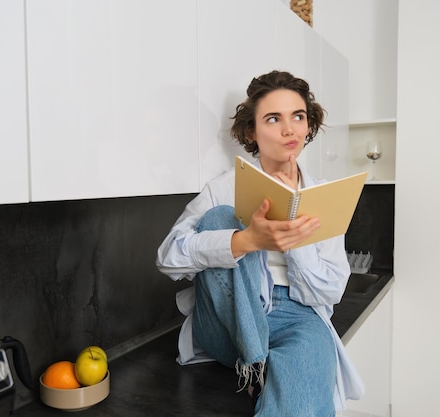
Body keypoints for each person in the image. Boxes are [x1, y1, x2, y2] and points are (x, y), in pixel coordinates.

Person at [156, 70, 364, 416]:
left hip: (298, 317)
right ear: (251, 131)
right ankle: (256, 360)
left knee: (304, 393)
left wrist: (293, 240)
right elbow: (167, 258)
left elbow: (330, 293)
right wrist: (244, 240)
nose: (289, 130)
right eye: (273, 118)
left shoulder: (324, 197)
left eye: (298, 116)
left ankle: (263, 367)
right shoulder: (223, 188)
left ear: (308, 125)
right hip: (226, 320)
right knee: (221, 218)